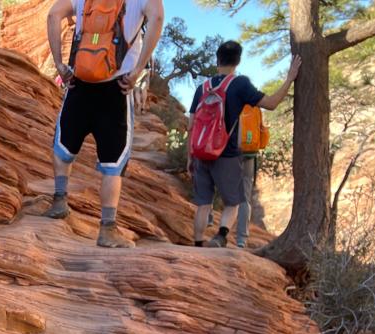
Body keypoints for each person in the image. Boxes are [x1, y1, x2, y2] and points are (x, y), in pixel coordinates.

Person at [44, 0, 165, 248]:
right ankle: (107, 229)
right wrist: (139, 69)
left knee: (64, 147)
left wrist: (59, 64)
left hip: (80, 81)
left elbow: (53, 15)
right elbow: (158, 20)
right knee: (112, 164)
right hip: (117, 87)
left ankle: (59, 201)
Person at [186, 41, 300, 247]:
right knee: (234, 202)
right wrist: (289, 79)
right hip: (226, 153)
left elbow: (191, 125)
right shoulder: (240, 84)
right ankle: (221, 236)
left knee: (203, 203)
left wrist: (190, 156)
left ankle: (198, 246)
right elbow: (272, 104)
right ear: (238, 61)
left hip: (201, 152)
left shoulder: (202, 88)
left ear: (217, 59)